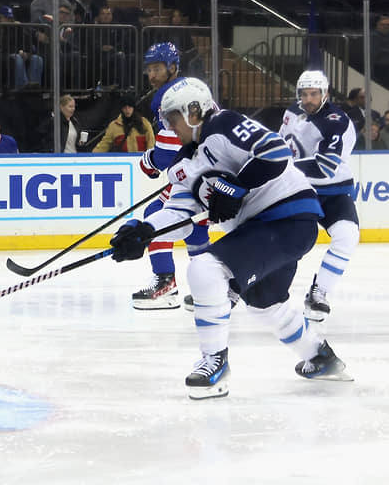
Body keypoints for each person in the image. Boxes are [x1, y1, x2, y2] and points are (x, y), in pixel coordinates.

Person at [109, 77, 352, 400]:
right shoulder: (183, 165)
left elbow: (275, 153)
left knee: (205, 268)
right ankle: (320, 357)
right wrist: (144, 231)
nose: (169, 126)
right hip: (263, 228)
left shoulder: (224, 123)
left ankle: (215, 363)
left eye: (173, 118)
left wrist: (235, 187)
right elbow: (180, 213)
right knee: (266, 304)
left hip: (290, 216)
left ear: (194, 110)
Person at [133, 42, 211, 310]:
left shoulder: (167, 98)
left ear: (173, 67)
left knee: (156, 215)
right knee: (195, 227)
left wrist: (148, 162)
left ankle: (166, 285)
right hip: (210, 170)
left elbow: (166, 156)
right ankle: (208, 289)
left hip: (198, 172)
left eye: (157, 68)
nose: (152, 75)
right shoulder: (194, 87)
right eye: (149, 69)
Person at [279, 70, 359, 327]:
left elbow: (325, 166)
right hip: (298, 190)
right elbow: (281, 144)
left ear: (325, 93)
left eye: (314, 94)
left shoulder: (337, 122)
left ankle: (319, 292)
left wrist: (282, 166)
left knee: (347, 235)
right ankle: (252, 287)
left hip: (332, 192)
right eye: (304, 94)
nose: (309, 99)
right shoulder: (292, 112)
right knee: (287, 242)